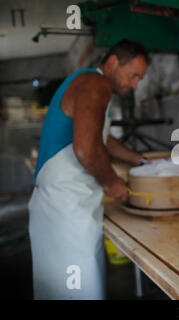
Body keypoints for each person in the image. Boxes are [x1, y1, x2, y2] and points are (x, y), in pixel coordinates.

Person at [28, 39, 151, 299]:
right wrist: (112, 181)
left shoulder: (88, 84)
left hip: (67, 209)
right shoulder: (96, 84)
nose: (134, 85)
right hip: (65, 212)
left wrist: (140, 161)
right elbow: (86, 149)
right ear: (113, 62)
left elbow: (101, 137)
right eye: (134, 75)